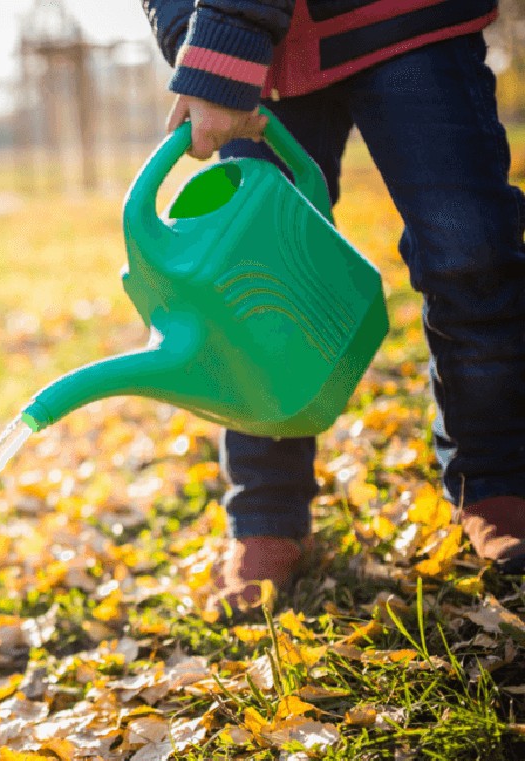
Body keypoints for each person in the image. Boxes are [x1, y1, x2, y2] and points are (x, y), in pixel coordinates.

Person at [138, 0, 525, 615]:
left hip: (401, 18)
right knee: (254, 290)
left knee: (469, 253)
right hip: (266, 62)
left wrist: (222, 45)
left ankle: (496, 481)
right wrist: (200, 37)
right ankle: (266, 514)